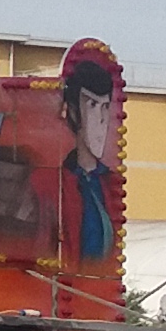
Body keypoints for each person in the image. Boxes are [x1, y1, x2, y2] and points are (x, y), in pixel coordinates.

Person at [57, 48, 122, 262]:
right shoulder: (57, 182)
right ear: (72, 111)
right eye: (92, 105)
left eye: (105, 106)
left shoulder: (109, 181)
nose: (101, 119)